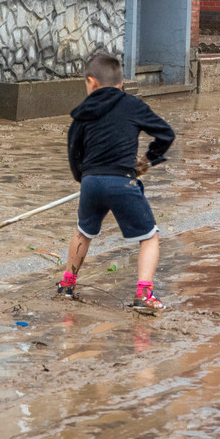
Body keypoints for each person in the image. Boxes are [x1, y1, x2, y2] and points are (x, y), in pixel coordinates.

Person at [56, 51, 175, 313]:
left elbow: (73, 151)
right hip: (122, 182)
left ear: (91, 82)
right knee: (150, 236)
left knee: (83, 232)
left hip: (91, 181)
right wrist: (148, 159)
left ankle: (67, 286)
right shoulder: (132, 105)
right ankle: (144, 295)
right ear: (121, 84)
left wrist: (84, 178)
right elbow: (166, 133)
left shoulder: (82, 113)